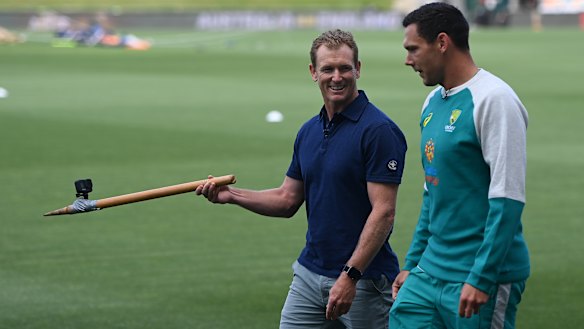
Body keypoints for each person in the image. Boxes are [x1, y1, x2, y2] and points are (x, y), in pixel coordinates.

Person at [196, 29, 407, 329]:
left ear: (358, 69)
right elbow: (287, 199)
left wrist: (350, 276)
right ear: (313, 72)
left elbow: (384, 212)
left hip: (364, 281)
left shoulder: (378, 131)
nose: (337, 77)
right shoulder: (309, 131)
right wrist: (231, 195)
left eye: (345, 68)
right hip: (310, 274)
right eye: (328, 69)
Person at [390, 3, 530, 329]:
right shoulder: (432, 102)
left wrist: (482, 277)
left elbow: (507, 198)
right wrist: (412, 263)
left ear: (442, 42)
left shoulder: (495, 100)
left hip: (479, 276)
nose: (407, 60)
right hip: (430, 271)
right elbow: (432, 194)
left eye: (413, 49)